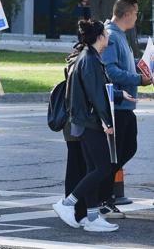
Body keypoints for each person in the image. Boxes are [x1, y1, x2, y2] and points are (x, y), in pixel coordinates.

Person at [53, 19, 122, 232]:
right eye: (106, 34)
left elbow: (97, 90)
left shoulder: (89, 57)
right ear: (100, 37)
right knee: (102, 167)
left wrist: (119, 94)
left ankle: (92, 218)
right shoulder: (90, 60)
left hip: (83, 122)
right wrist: (107, 122)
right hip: (89, 123)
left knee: (92, 169)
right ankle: (67, 204)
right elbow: (96, 95)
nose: (108, 37)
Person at [97, 0, 147, 217]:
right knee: (116, 154)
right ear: (127, 14)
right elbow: (110, 71)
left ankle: (104, 197)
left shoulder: (119, 35)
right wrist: (139, 79)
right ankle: (103, 199)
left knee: (127, 149)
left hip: (125, 105)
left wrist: (141, 68)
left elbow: (121, 66)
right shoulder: (112, 36)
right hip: (116, 104)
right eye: (136, 13)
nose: (137, 17)